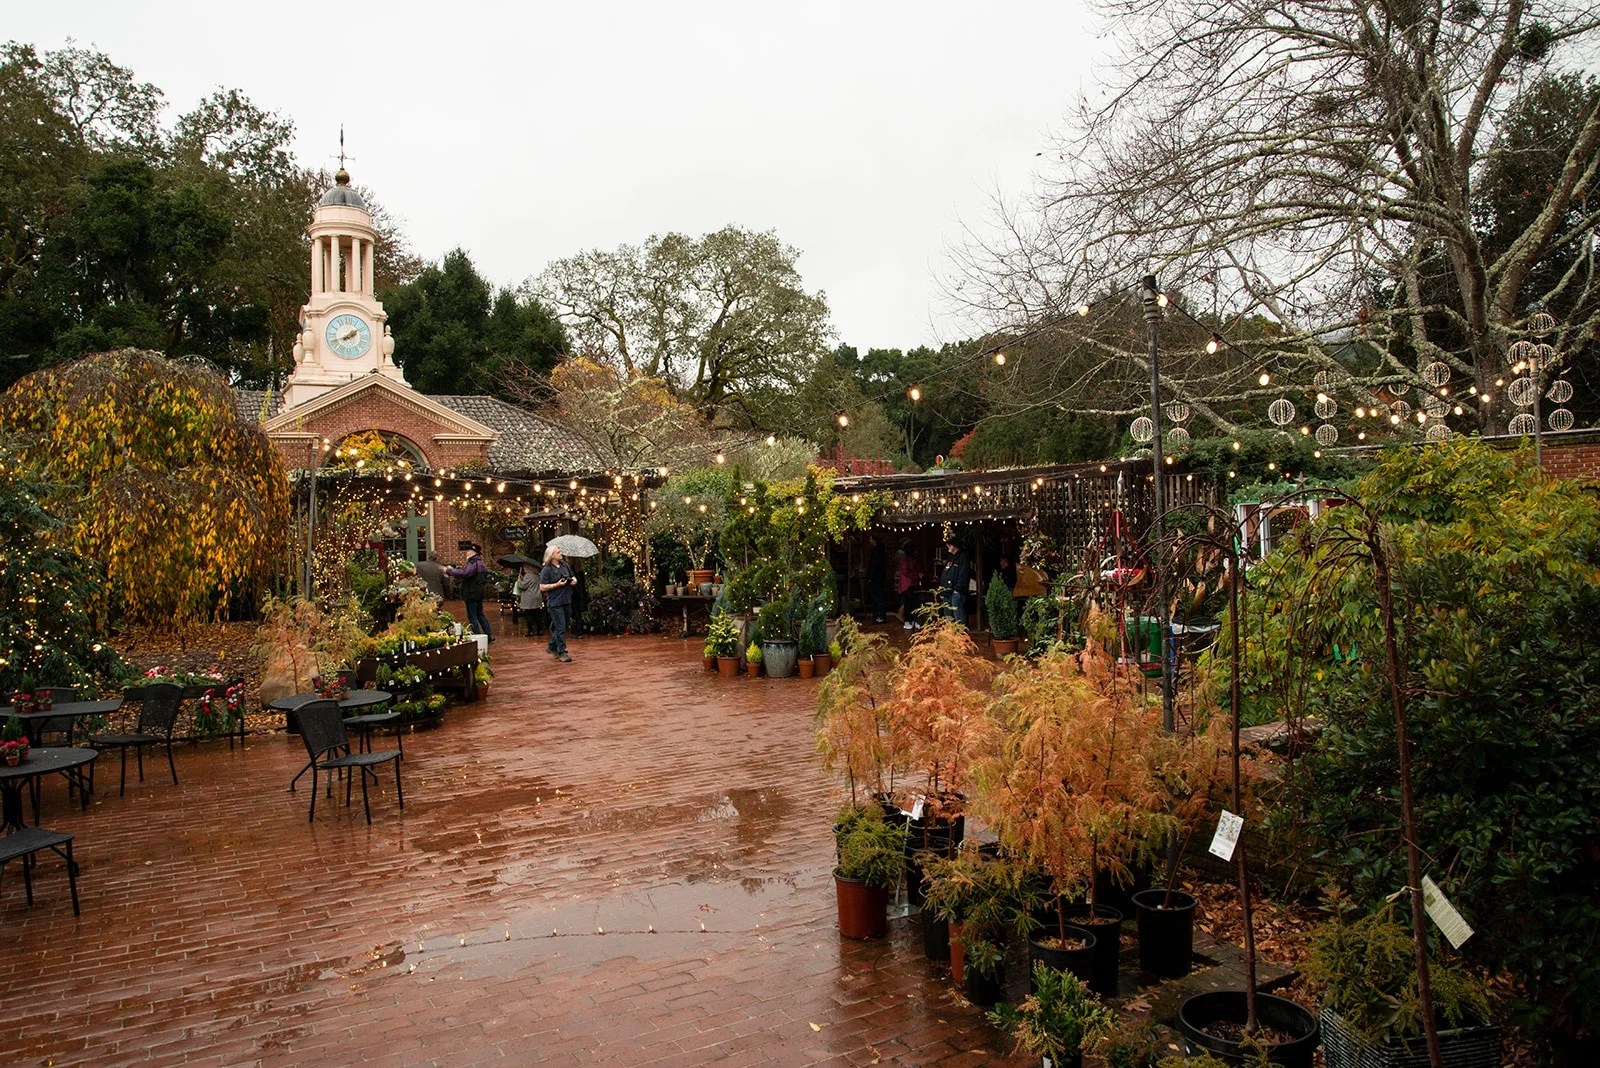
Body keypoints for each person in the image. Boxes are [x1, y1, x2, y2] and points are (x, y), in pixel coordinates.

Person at [539, 544, 577, 662]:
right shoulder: (547, 569)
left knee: (564, 626)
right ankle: (562, 651)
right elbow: (542, 587)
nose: (560, 553)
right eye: (558, 552)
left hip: (566, 599)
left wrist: (573, 580)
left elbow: (572, 576)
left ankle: (551, 646)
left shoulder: (565, 565)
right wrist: (556, 585)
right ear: (552, 555)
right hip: (555, 602)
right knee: (560, 628)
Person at [447, 543, 492, 640]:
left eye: (468, 551)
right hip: (479, 592)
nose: (466, 553)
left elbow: (465, 573)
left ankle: (477, 636)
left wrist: (450, 570)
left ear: (474, 552)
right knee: (480, 614)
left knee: (472, 615)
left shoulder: (472, 563)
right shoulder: (482, 563)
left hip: (471, 592)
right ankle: (488, 634)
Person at [938, 539, 971, 626]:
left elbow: (963, 574)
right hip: (947, 592)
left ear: (955, 546)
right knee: (948, 619)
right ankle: (950, 636)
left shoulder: (963, 557)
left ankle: (961, 636)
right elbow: (945, 573)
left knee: (958, 618)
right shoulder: (950, 558)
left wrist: (957, 589)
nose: (947, 547)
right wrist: (942, 590)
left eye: (949, 545)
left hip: (956, 592)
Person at [896, 540, 923, 630]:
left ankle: (913, 621)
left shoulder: (914, 559)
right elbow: (905, 572)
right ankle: (907, 621)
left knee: (914, 603)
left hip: (913, 583)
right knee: (908, 604)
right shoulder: (905, 560)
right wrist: (917, 575)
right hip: (907, 584)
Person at [514, 562, 543, 637]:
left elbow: (523, 586)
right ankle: (539, 630)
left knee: (529, 614)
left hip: (529, 598)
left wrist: (519, 580)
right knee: (537, 614)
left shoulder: (528, 576)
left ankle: (530, 631)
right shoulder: (537, 575)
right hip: (537, 596)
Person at [866, 535, 887, 624]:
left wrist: (871, 577)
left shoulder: (876, 550)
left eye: (870, 538)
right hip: (880, 577)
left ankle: (881, 616)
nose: (869, 540)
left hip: (876, 578)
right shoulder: (881, 550)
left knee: (877, 597)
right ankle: (878, 615)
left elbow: (874, 565)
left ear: (874, 540)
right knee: (878, 596)